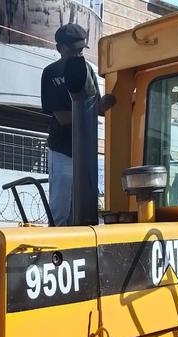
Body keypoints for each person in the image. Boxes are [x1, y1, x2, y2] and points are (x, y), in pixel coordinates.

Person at [41, 23, 116, 226]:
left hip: (87, 151)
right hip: (62, 149)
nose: (77, 54)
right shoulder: (51, 72)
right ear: (60, 48)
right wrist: (91, 110)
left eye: (81, 50)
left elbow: (97, 108)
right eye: (73, 49)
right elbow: (62, 118)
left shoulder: (87, 69)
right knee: (60, 209)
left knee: (86, 207)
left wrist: (112, 100)